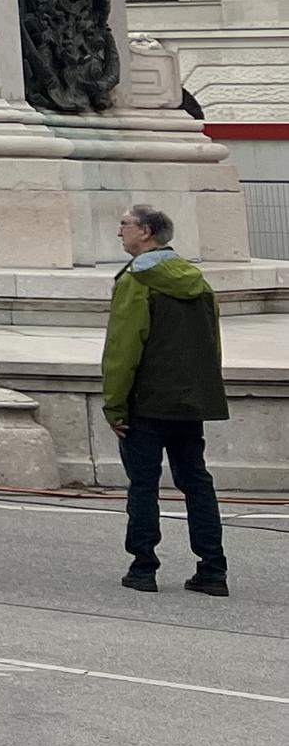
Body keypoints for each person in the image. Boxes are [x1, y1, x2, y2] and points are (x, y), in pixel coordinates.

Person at [104, 203, 228, 596]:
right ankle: (213, 568)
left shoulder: (137, 281)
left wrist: (114, 404)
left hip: (148, 400)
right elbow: (211, 342)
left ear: (146, 232)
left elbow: (124, 347)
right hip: (189, 400)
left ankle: (144, 566)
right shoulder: (197, 280)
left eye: (125, 225)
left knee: (143, 483)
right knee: (196, 481)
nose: (119, 232)